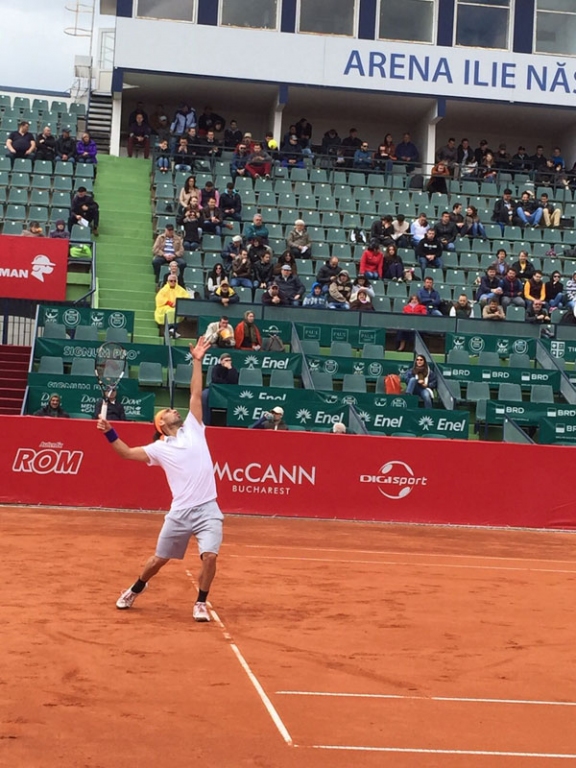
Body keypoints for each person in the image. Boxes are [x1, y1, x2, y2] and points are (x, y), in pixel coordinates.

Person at [99, 337, 223, 622]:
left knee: (210, 556)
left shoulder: (194, 427)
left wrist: (197, 361)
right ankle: (135, 588)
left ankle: (200, 602)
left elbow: (195, 394)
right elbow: (126, 453)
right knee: (159, 560)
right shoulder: (158, 449)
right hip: (180, 513)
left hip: (208, 508)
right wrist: (108, 432)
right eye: (168, 411)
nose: (174, 410)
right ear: (162, 424)